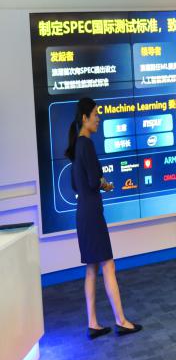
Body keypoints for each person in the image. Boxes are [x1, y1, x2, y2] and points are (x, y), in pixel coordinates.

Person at [65, 97, 142, 339]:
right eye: (96, 114)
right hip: (92, 214)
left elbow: (76, 184)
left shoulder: (77, 146)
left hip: (83, 212)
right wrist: (104, 184)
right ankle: (121, 320)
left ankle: (93, 323)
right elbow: (92, 180)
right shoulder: (86, 144)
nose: (99, 118)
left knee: (91, 268)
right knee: (108, 264)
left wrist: (98, 183)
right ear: (85, 118)